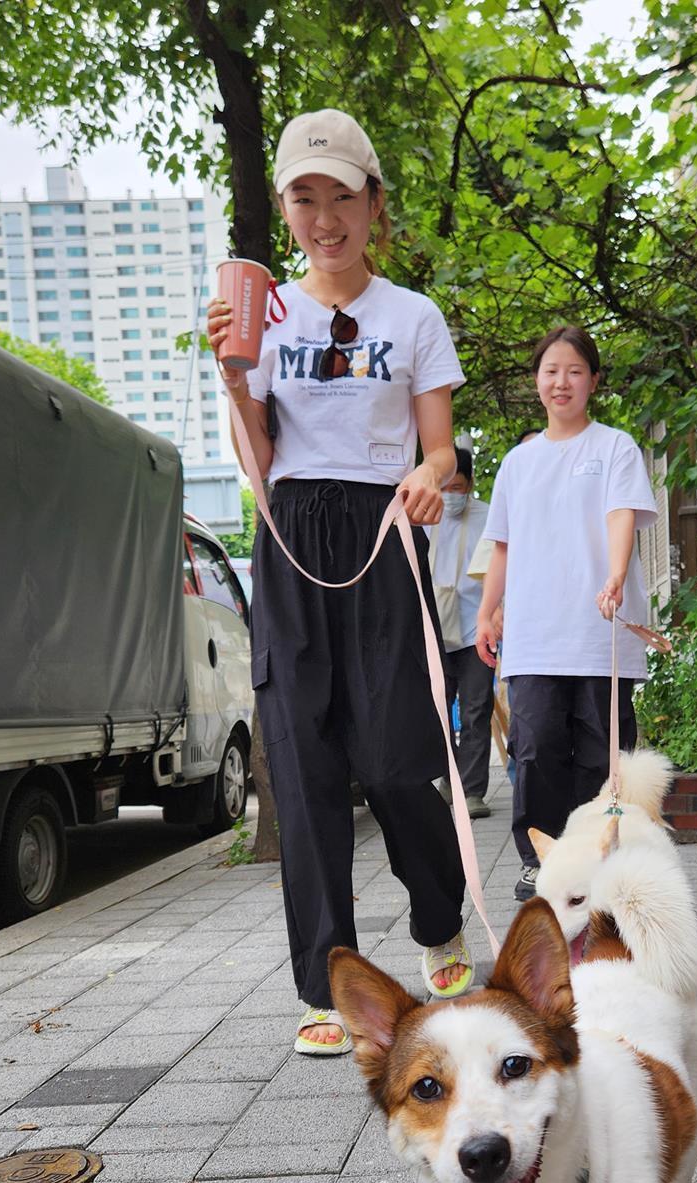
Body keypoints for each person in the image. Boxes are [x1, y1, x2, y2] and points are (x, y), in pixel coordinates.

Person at [207, 108, 473, 1057]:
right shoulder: (267, 316)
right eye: (304, 198)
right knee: (306, 757)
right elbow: (260, 459)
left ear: (372, 205)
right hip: (289, 534)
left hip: (383, 528)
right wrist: (235, 381)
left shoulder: (412, 317)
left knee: (398, 753)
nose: (325, 218)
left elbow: (440, 448)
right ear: (287, 211)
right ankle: (327, 980)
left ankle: (438, 917)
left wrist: (428, 479)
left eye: (341, 197)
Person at [476, 326, 657, 900]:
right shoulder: (517, 463)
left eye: (575, 371)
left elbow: (620, 514)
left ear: (593, 381)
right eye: (551, 370)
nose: (562, 382)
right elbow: (501, 544)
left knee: (601, 747)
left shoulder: (614, 447)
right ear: (537, 380)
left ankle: (599, 855)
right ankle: (539, 859)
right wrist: (487, 612)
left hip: (599, 630)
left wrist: (615, 574)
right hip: (534, 633)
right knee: (535, 749)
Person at [426, 444, 494, 817]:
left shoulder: (488, 517)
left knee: (475, 709)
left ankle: (472, 790)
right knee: (435, 710)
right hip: (433, 629)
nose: (452, 496)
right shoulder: (422, 516)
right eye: (446, 487)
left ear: (470, 485)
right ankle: (447, 780)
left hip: (475, 628)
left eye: (459, 488)